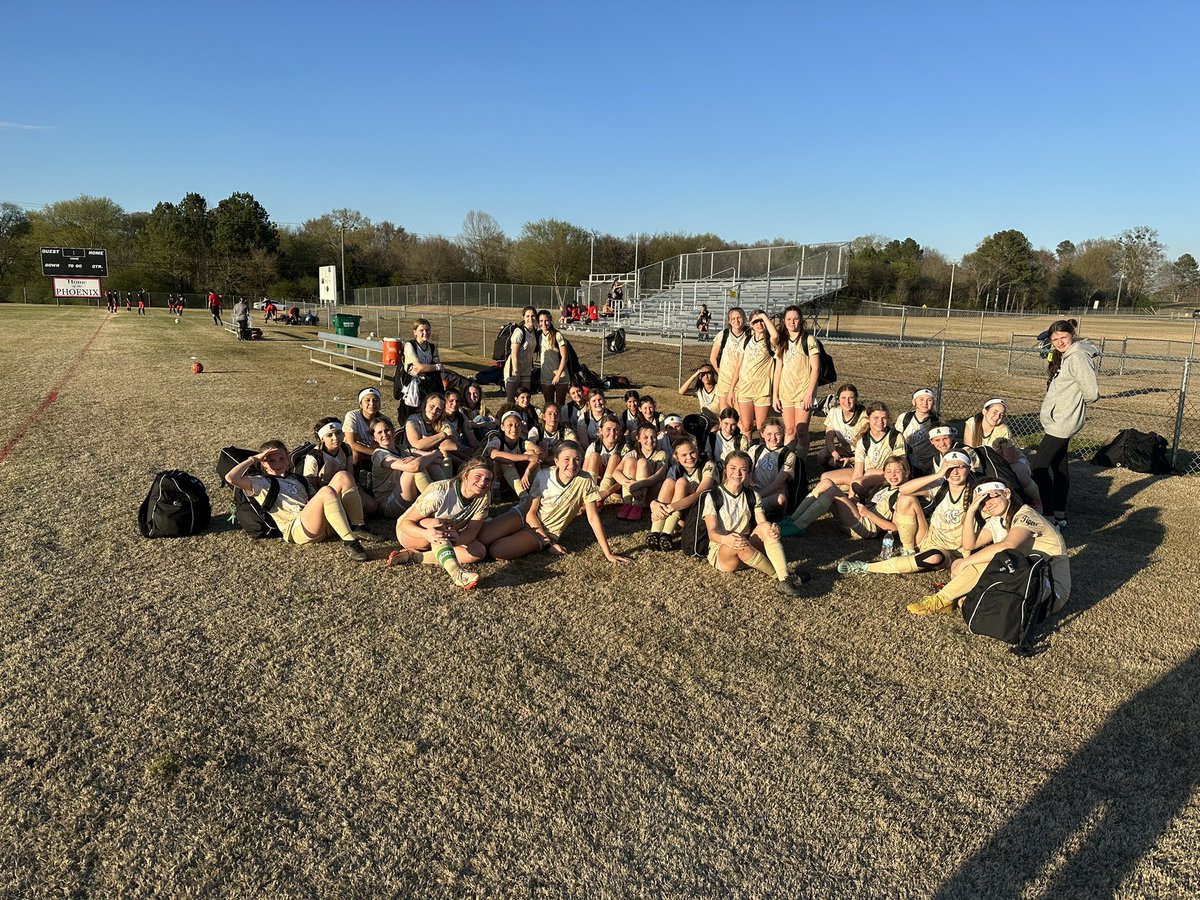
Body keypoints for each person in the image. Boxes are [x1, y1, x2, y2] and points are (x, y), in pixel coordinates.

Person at [904, 480, 1071, 617]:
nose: (988, 504)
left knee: (993, 558)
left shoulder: (1025, 514)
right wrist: (970, 511)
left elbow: (1008, 545)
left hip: (1050, 592)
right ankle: (959, 599)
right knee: (987, 560)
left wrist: (964, 562)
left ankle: (941, 600)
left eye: (992, 496)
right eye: (982, 502)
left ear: (1007, 493)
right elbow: (969, 544)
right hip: (1025, 582)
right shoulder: (997, 520)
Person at [836, 450, 975, 586]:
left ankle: (866, 567)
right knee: (906, 498)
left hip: (952, 551)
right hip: (927, 538)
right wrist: (938, 474)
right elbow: (903, 490)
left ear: (969, 468)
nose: (955, 472)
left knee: (934, 557)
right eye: (950, 468)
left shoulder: (977, 493)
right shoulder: (940, 486)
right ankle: (908, 550)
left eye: (960, 467)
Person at [223, 440, 373, 561]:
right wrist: (253, 459)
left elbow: (315, 498)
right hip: (298, 529)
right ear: (263, 462)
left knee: (343, 476)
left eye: (281, 458)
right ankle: (350, 542)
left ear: (288, 459)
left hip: (320, 521)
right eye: (271, 459)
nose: (277, 462)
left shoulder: (297, 478)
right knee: (326, 491)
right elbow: (231, 478)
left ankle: (358, 526)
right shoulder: (259, 482)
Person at [487, 441, 632, 564]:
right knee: (483, 537)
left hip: (545, 531)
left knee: (496, 551)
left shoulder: (586, 480)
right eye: (566, 459)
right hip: (522, 514)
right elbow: (530, 513)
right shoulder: (544, 474)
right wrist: (548, 544)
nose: (572, 464)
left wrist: (608, 553)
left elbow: (593, 517)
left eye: (576, 459)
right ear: (556, 461)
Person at [393, 459, 523, 590]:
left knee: (478, 551)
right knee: (438, 524)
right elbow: (405, 524)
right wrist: (426, 533)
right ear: (466, 475)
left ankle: (413, 557)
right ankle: (458, 574)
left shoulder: (484, 496)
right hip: (411, 534)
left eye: (488, 479)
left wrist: (458, 538)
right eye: (478, 476)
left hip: (441, 536)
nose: (482, 482)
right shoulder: (440, 492)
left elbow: (472, 531)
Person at [783, 401, 903, 536]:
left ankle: (799, 526)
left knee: (834, 490)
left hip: (865, 524)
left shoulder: (895, 438)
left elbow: (899, 466)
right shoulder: (864, 439)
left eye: (884, 418)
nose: (880, 422)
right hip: (860, 509)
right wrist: (852, 498)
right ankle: (793, 519)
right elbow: (858, 472)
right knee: (826, 482)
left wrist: (866, 510)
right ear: (868, 418)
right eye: (876, 418)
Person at [701, 451, 803, 597]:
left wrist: (773, 530)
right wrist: (726, 539)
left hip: (747, 546)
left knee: (767, 527)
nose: (737, 473)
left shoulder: (752, 495)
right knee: (737, 540)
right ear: (725, 469)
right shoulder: (713, 495)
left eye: (743, 469)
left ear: (749, 472)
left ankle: (784, 579)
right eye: (733, 468)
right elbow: (712, 533)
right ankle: (782, 576)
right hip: (724, 552)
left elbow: (762, 523)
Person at [1030, 319, 1099, 531]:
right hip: (1058, 420)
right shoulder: (1068, 355)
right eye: (1055, 339)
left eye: (1063, 337)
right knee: (1058, 465)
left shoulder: (1077, 356)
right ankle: (1059, 514)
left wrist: (1069, 407)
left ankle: (1049, 515)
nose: (1059, 342)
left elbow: (1091, 392)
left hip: (1063, 422)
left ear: (1073, 334)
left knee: (1038, 466)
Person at [963, 398, 1041, 508]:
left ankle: (1038, 498)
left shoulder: (1003, 430)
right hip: (986, 462)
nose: (997, 417)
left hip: (1010, 461)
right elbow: (969, 449)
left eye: (1001, 414)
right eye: (994, 412)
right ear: (984, 411)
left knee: (1016, 472)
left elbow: (1011, 459)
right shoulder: (972, 423)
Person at [648, 436, 717, 550]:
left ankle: (667, 534)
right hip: (680, 514)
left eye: (692, 453)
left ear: (697, 452)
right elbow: (665, 493)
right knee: (669, 482)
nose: (689, 457)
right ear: (676, 457)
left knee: (681, 482)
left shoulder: (708, 465)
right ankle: (655, 533)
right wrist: (654, 504)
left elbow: (699, 494)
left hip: (699, 513)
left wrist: (672, 507)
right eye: (684, 455)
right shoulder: (675, 469)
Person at [772, 304, 822, 450]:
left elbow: (816, 368)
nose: (792, 322)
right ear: (784, 320)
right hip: (786, 393)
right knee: (789, 430)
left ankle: (800, 465)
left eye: (795, 319)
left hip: (803, 393)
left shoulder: (809, 340)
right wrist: (775, 395)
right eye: (788, 319)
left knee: (801, 431)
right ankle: (788, 464)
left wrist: (809, 394)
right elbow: (778, 370)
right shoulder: (782, 341)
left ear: (801, 320)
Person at [369, 415, 439, 518]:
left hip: (406, 493)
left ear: (393, 431)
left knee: (434, 465)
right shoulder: (379, 455)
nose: (384, 434)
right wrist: (434, 454)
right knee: (414, 471)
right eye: (379, 432)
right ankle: (438, 503)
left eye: (387, 430)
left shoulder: (403, 448)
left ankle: (444, 496)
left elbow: (438, 459)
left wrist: (434, 455)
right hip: (389, 502)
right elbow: (414, 467)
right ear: (374, 438)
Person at [726, 309, 778, 437]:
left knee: (761, 428)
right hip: (745, 389)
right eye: (756, 321)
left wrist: (762, 316)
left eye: (762, 321)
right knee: (746, 426)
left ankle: (762, 453)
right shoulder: (746, 340)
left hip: (762, 391)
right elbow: (739, 366)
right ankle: (746, 452)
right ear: (751, 324)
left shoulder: (769, 341)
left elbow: (775, 336)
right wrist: (731, 389)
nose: (760, 324)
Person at [615, 423, 669, 521]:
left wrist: (638, 485)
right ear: (638, 439)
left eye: (653, 437)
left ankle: (638, 506)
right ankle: (627, 504)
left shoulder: (661, 454)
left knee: (642, 462)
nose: (650, 441)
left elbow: (658, 476)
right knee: (630, 460)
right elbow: (616, 472)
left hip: (651, 493)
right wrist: (630, 484)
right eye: (645, 437)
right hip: (632, 491)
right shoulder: (632, 453)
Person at [747, 419, 798, 522]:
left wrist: (758, 497)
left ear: (783, 434)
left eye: (777, 434)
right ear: (762, 434)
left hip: (771, 495)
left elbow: (777, 483)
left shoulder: (788, 455)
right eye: (769, 434)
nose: (773, 438)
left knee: (781, 499)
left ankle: (778, 517)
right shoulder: (755, 450)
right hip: (755, 493)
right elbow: (747, 474)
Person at [404, 392, 455, 482]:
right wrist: (442, 435)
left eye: (439, 409)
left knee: (446, 455)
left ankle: (447, 486)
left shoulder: (441, 423)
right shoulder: (413, 420)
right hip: (413, 456)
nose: (434, 411)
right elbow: (417, 444)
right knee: (436, 466)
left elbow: (453, 445)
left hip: (434, 457)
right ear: (425, 405)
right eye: (432, 406)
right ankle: (446, 487)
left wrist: (429, 442)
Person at [709, 307, 750, 418]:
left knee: (739, 416)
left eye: (739, 318)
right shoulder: (723, 335)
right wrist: (720, 372)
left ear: (744, 319)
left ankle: (740, 434)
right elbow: (713, 357)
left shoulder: (750, 335)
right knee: (725, 415)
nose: (736, 321)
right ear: (729, 321)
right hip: (725, 381)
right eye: (733, 318)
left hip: (742, 382)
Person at [300, 417, 354, 494]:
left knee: (371, 505)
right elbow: (311, 487)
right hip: (325, 494)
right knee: (330, 466)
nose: (335, 438)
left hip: (345, 487)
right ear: (322, 439)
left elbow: (350, 475)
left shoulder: (346, 448)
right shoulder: (314, 457)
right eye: (329, 435)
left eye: (338, 433)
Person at [897, 388, 944, 476]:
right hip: (907, 462)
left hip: (928, 464)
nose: (925, 403)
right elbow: (896, 439)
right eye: (921, 399)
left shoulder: (937, 421)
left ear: (933, 403)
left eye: (929, 400)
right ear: (914, 402)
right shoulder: (905, 418)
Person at [817, 384, 863, 471]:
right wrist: (835, 454)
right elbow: (829, 440)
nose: (847, 401)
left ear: (856, 399)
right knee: (822, 455)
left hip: (861, 454)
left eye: (851, 397)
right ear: (838, 399)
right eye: (843, 398)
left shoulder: (864, 416)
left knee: (832, 463)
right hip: (845, 450)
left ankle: (851, 467)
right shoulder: (834, 412)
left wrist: (852, 459)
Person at [583, 414, 625, 505]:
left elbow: (625, 479)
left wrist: (607, 492)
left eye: (616, 430)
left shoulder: (624, 448)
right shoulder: (594, 446)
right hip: (597, 483)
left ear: (620, 432)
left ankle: (598, 501)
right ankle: (589, 494)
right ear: (601, 431)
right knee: (594, 455)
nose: (612, 433)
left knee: (615, 458)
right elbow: (584, 472)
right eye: (608, 429)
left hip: (615, 488)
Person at [504, 306, 539, 404]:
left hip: (526, 369)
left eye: (533, 316)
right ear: (523, 317)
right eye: (527, 316)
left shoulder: (534, 332)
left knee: (525, 399)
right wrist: (515, 371)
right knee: (511, 400)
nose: (530, 318)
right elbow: (514, 354)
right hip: (513, 369)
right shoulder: (519, 332)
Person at [537, 310, 571, 407]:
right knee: (549, 404)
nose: (544, 323)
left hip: (560, 375)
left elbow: (565, 357)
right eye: (541, 321)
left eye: (546, 320)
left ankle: (561, 422)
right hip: (546, 375)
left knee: (560, 405)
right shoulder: (538, 335)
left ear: (551, 320)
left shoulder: (557, 335)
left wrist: (558, 375)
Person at [343, 387, 383, 469]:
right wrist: (376, 452)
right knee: (355, 453)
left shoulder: (383, 420)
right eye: (367, 400)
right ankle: (354, 477)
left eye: (375, 400)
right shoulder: (352, 416)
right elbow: (351, 444)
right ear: (361, 404)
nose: (372, 404)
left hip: (373, 451)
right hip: (354, 452)